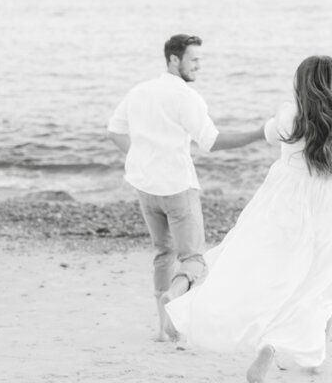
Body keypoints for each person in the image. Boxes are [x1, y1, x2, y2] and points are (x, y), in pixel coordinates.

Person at [164, 55, 332, 383]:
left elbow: (265, 133)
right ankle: (286, 349)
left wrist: (220, 139)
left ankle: (191, 305)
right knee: (322, 281)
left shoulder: (289, 115)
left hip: (282, 202)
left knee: (265, 271)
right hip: (329, 208)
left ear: (302, 86)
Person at [107, 33, 267, 341]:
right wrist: (259, 133)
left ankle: (161, 330)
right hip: (177, 188)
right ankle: (173, 301)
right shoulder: (186, 97)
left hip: (145, 186)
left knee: (162, 253)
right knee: (194, 260)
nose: (198, 66)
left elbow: (114, 131)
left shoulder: (139, 91)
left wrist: (140, 158)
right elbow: (211, 141)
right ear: (174, 60)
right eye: (193, 60)